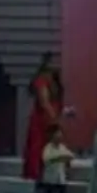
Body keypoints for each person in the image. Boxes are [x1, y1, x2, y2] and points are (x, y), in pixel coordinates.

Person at [24, 52, 66, 181]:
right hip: (43, 119)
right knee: (41, 147)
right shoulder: (42, 79)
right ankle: (40, 176)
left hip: (50, 117)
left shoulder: (54, 80)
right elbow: (44, 102)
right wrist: (55, 118)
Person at [37, 125, 76, 193]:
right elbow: (46, 158)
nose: (59, 136)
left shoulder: (62, 147)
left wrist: (66, 158)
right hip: (50, 177)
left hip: (60, 176)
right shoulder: (48, 148)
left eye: (60, 134)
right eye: (57, 134)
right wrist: (59, 158)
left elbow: (70, 155)